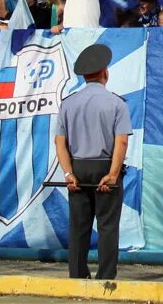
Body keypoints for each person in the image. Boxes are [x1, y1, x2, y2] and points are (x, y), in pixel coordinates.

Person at [55, 44, 131, 280]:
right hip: (106, 166)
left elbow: (60, 143)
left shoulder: (68, 103)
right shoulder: (117, 104)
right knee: (107, 225)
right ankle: (105, 276)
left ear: (84, 76)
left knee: (79, 226)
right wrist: (113, 174)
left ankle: (77, 275)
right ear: (105, 72)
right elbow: (121, 142)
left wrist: (68, 174)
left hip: (77, 167)